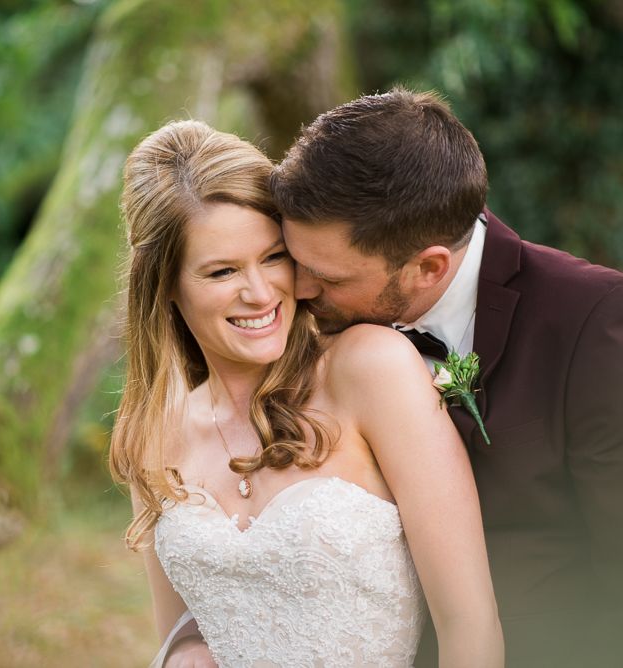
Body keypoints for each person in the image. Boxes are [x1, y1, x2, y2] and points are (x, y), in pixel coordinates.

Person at [110, 120, 503, 667]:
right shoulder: (154, 436)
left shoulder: (370, 370)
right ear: (165, 286)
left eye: (273, 257)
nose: (260, 292)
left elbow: (470, 627)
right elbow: (181, 631)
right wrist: (184, 651)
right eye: (222, 270)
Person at [266, 86, 623, 667]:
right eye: (295, 264)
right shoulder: (290, 328)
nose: (300, 292)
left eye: (326, 278)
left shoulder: (592, 320)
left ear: (429, 266)